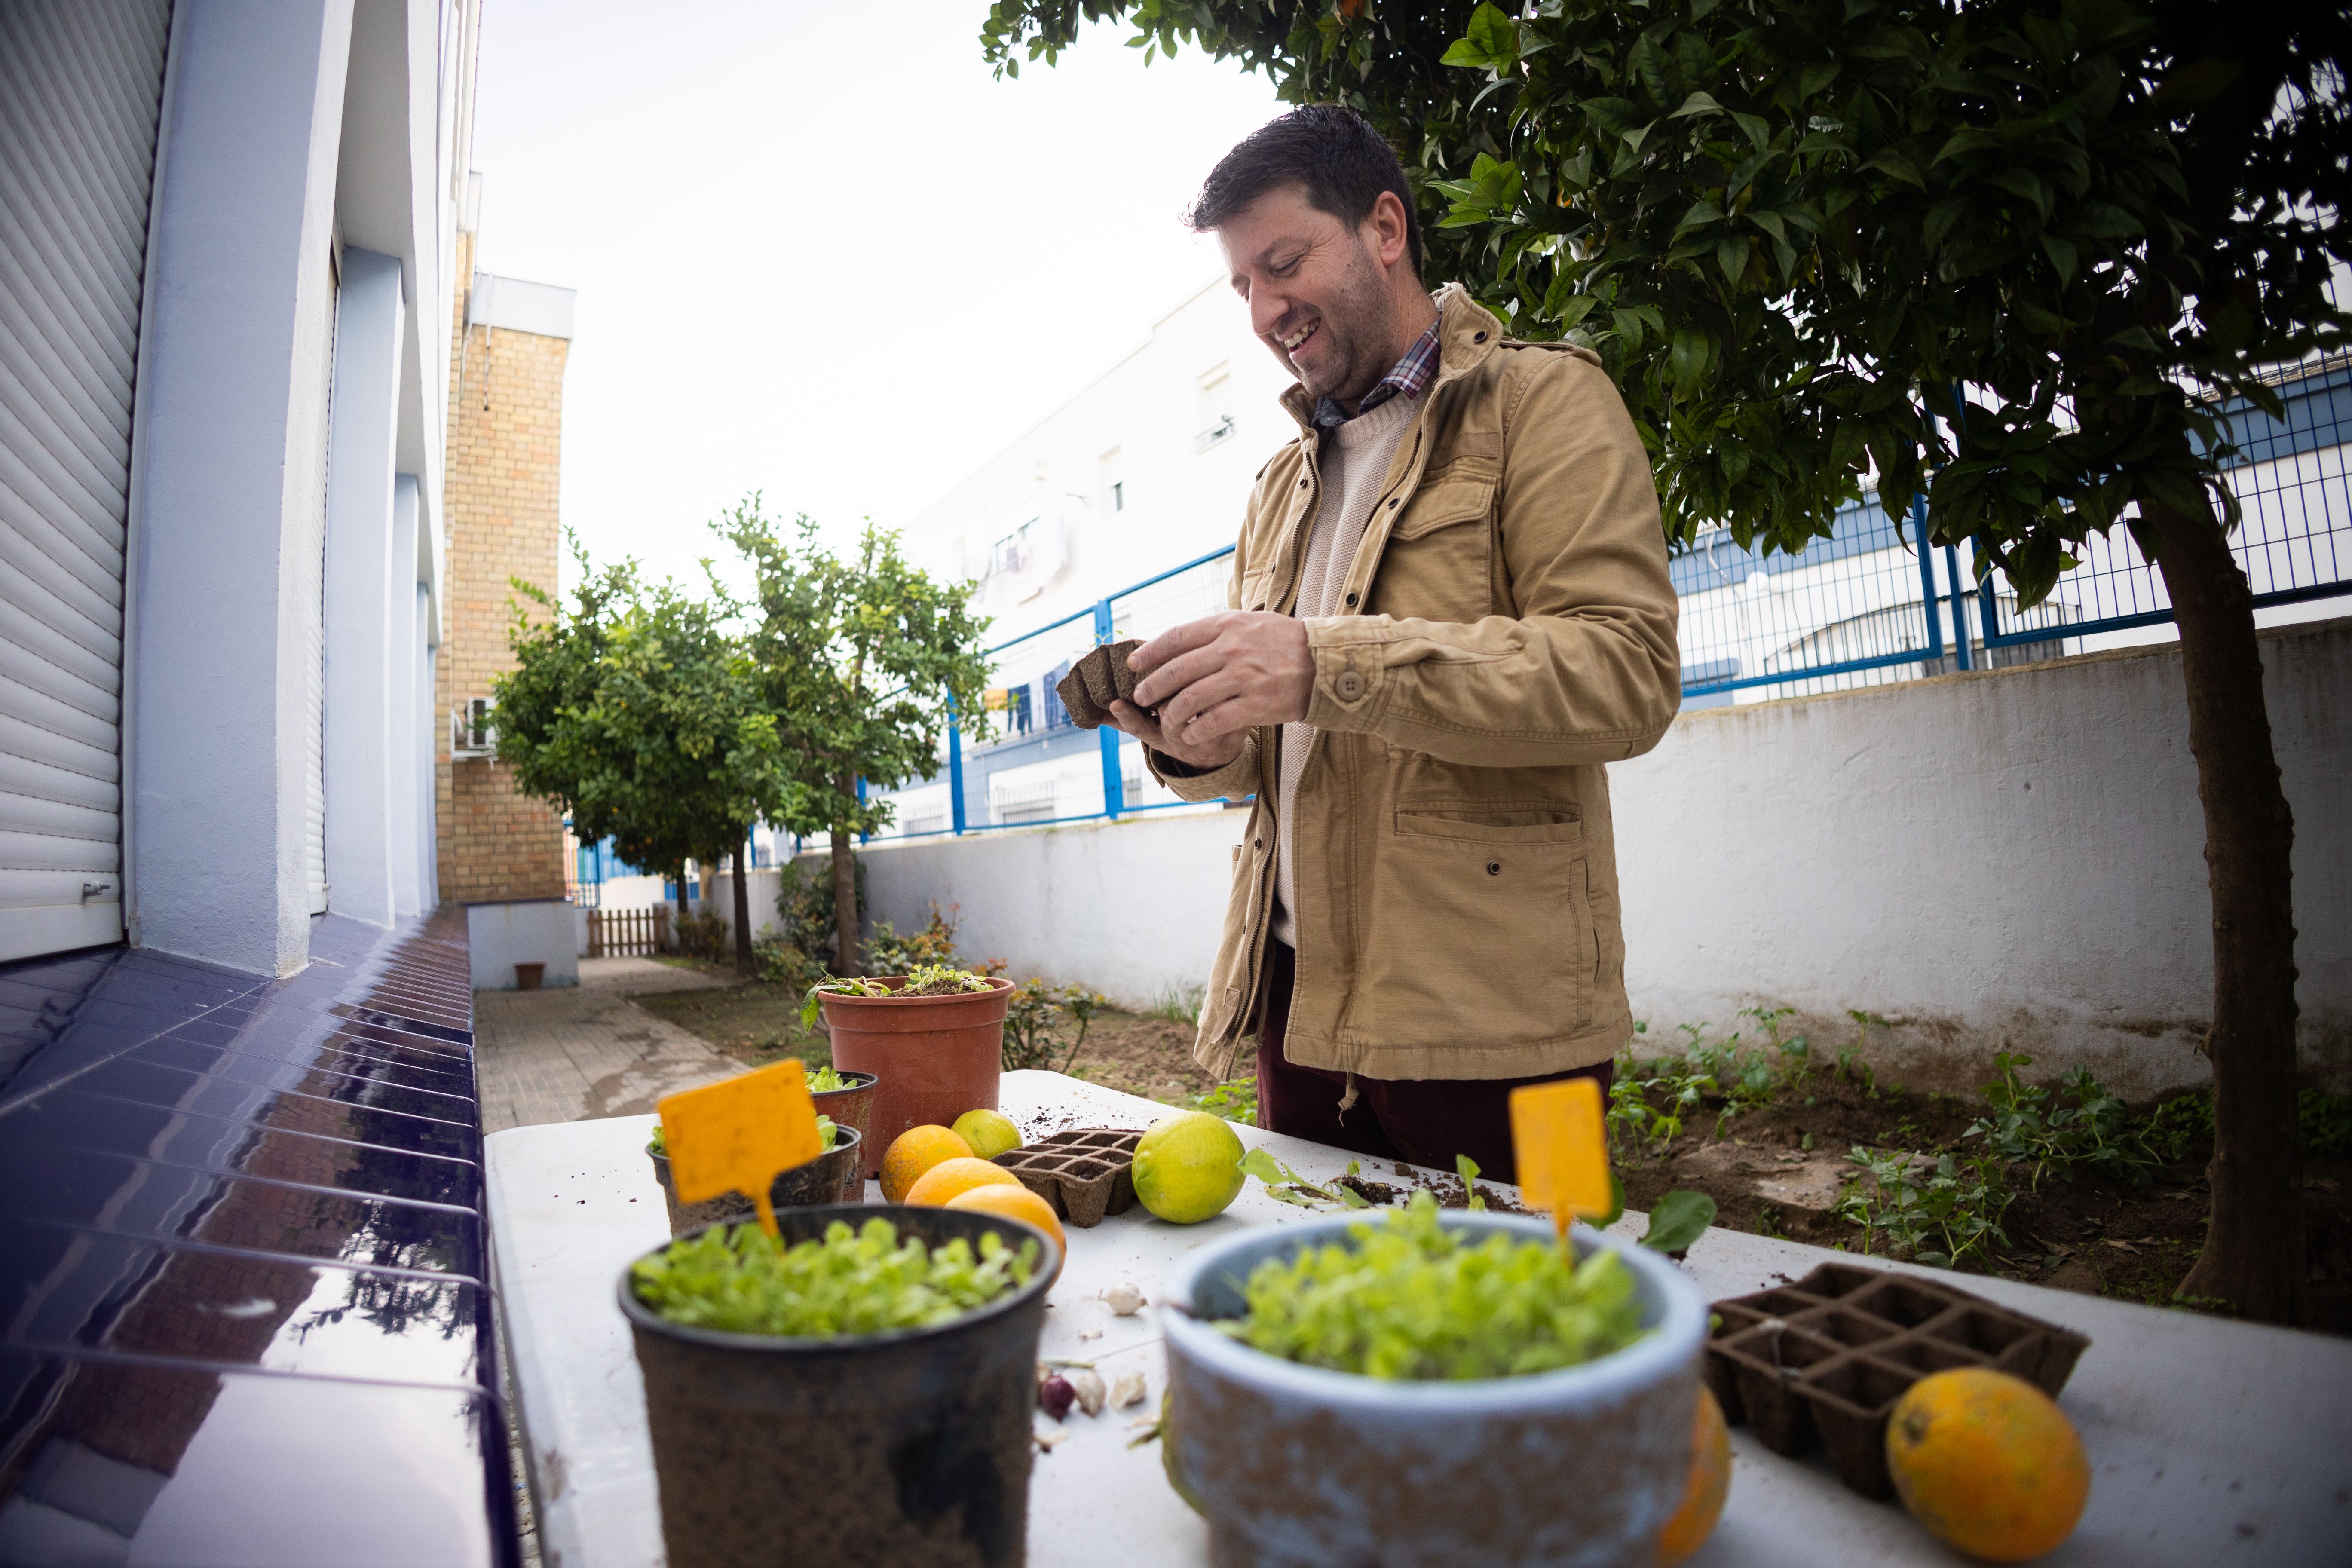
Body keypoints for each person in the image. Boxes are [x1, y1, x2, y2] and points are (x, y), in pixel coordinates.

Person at [1102, 106, 1681, 1185]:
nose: (1267, 310)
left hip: (1505, 1039)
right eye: (1243, 287)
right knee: (1325, 1339)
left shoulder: (1545, 402)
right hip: (1298, 1021)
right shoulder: (1279, 482)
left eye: (1284, 264)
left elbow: (1626, 676)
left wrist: (1326, 663)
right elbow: (1276, 751)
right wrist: (1189, 733)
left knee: (1536, 1332)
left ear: (1384, 227)